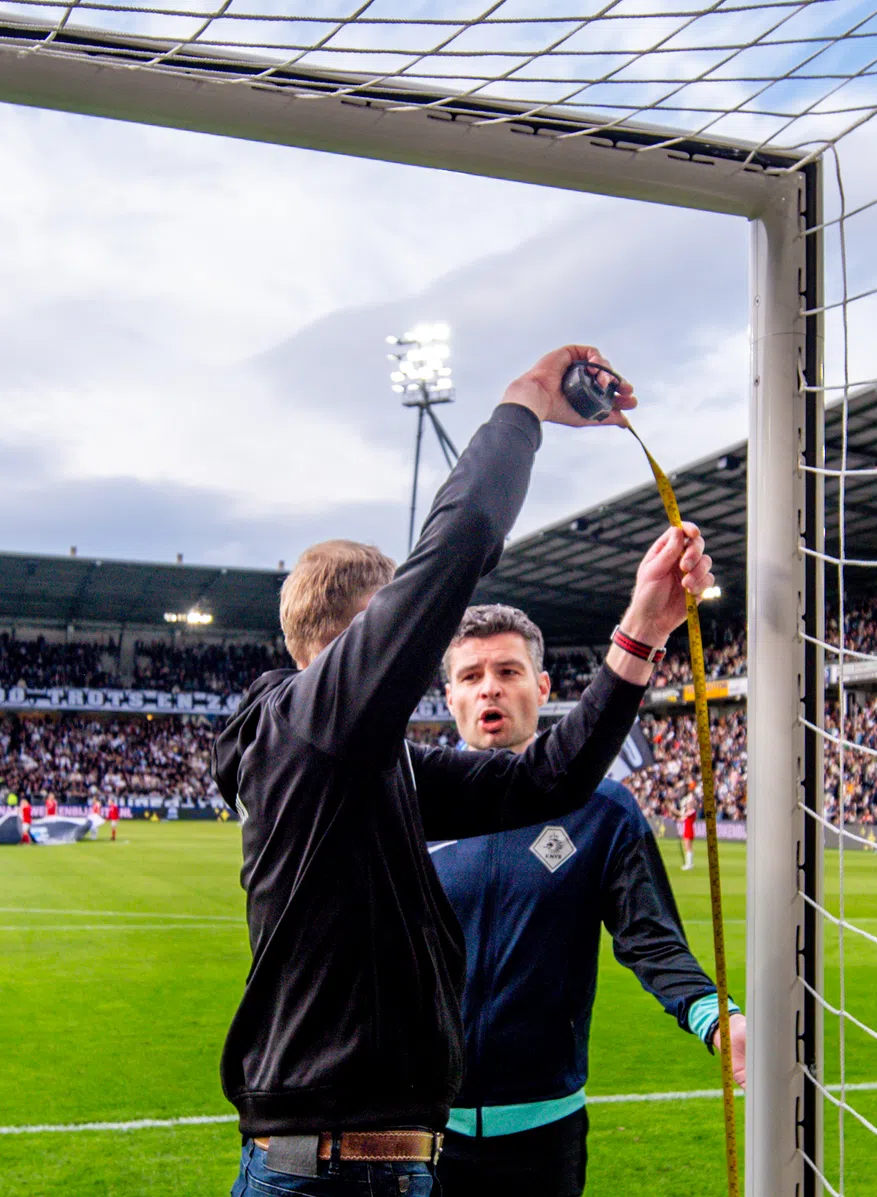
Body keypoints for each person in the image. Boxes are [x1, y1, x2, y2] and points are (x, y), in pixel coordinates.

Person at [214, 345, 710, 1197]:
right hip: (326, 1173)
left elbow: (546, 781)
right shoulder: (308, 730)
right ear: (364, 639)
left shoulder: (378, 768)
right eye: (401, 629)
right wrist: (526, 401)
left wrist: (639, 633)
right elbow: (460, 541)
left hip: (384, 1162)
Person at [429, 605, 745, 1197]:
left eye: (508, 671)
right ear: (451, 697)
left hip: (545, 1136)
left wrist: (715, 1017)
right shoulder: (408, 805)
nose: (489, 687)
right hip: (419, 1134)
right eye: (470, 676)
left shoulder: (602, 809)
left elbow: (650, 937)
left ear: (543, 687)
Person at [680, 795, 698, 872]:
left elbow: (684, 815)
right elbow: (681, 818)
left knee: (688, 847)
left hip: (689, 830)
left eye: (687, 805)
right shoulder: (689, 811)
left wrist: (681, 810)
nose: (687, 806)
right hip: (687, 830)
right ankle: (690, 863)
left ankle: (689, 864)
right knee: (688, 847)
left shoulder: (692, 811)